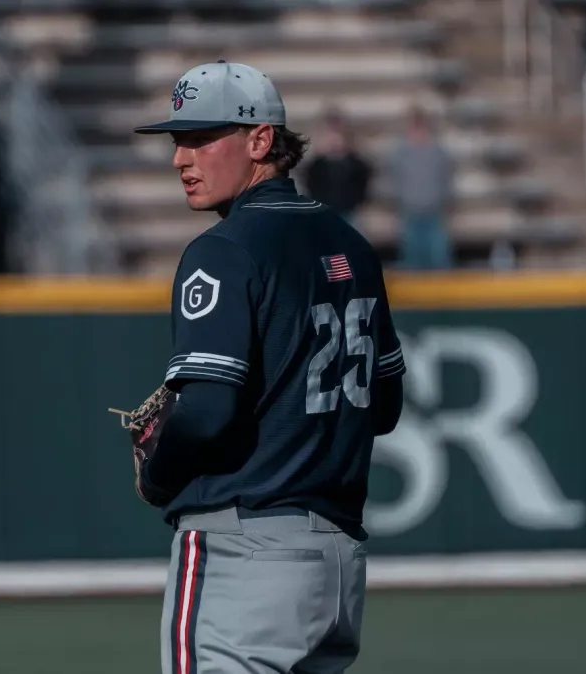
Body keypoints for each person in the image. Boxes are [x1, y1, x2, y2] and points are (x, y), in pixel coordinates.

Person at [130, 60, 406, 674]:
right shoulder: (350, 243)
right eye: (178, 140)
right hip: (335, 564)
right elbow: (383, 407)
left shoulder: (223, 250)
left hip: (244, 554)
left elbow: (205, 412)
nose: (181, 158)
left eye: (201, 139)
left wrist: (159, 472)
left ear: (261, 141)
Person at [387, 105, 454, 269]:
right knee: (412, 260)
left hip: (434, 212)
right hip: (410, 212)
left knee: (439, 258)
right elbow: (393, 182)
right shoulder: (400, 154)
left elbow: (445, 180)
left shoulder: (438, 153)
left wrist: (446, 203)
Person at [300, 108, 373, 227]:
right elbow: (307, 180)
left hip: (350, 211)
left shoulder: (354, 161)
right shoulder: (317, 163)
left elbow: (363, 177)